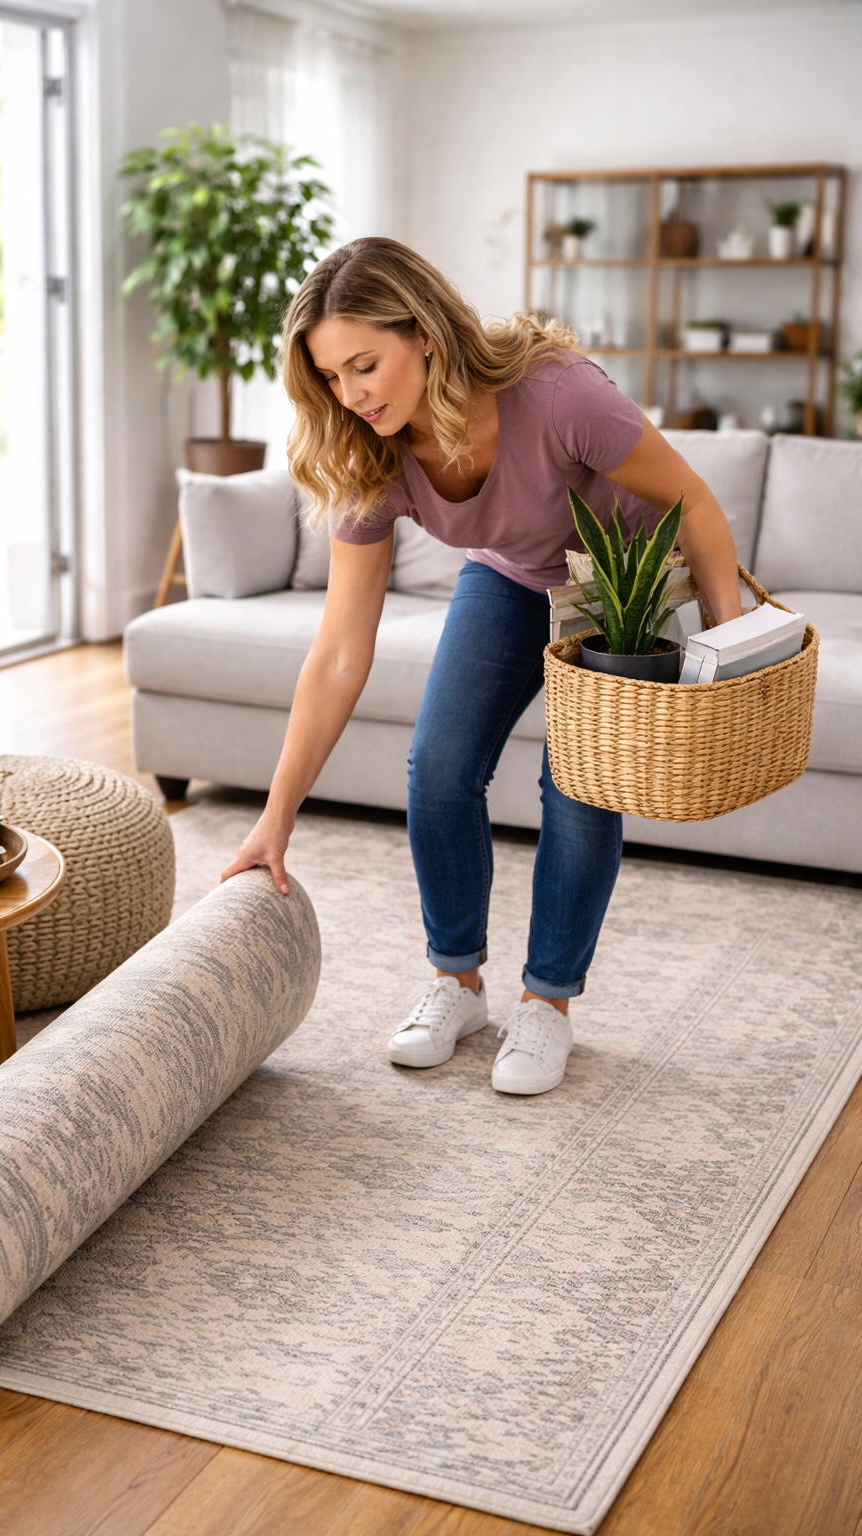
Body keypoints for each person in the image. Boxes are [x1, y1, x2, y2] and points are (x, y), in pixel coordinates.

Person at [221, 237, 741, 1096]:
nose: (352, 396)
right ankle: (456, 983)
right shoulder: (368, 453)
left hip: (620, 581)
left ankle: (548, 1002)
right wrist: (276, 818)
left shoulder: (558, 394)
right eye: (332, 378)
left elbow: (690, 501)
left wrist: (727, 647)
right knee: (439, 766)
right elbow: (342, 650)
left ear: (422, 333)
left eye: (366, 365)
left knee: (577, 783)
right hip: (509, 578)